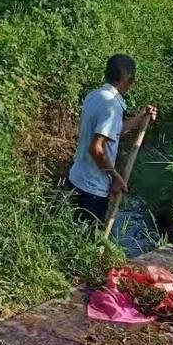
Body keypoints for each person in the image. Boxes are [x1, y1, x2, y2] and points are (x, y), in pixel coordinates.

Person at [66, 54, 158, 224]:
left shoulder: (95, 96)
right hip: (92, 191)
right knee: (89, 243)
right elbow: (96, 149)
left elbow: (113, 131)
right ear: (127, 77)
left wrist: (140, 117)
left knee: (74, 241)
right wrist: (115, 177)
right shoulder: (112, 106)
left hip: (75, 180)